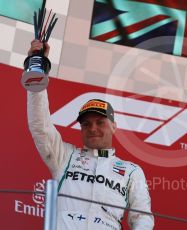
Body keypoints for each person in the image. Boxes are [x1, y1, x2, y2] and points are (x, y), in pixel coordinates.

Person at [27, 40, 154, 230]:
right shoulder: (65, 156)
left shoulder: (131, 171)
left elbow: (142, 218)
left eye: (100, 122)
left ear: (114, 127)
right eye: (86, 124)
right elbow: (40, 126)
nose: (93, 128)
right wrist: (37, 72)